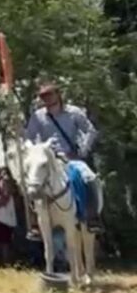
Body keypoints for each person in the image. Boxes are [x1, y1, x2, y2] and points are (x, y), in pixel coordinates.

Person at [24, 82, 102, 232]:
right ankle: (35, 223)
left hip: (70, 158)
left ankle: (93, 218)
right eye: (42, 96)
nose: (45, 98)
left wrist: (83, 150)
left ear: (58, 94)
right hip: (49, 159)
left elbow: (90, 131)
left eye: (49, 94)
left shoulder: (74, 112)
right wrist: (34, 149)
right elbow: (29, 137)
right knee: (32, 183)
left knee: (89, 177)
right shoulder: (37, 116)